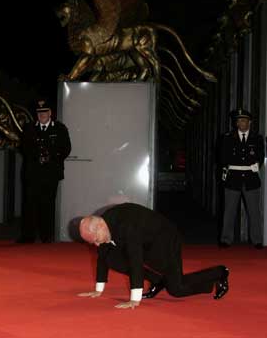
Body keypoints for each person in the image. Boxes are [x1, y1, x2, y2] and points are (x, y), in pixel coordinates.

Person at [77, 203, 229, 309]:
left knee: (176, 289)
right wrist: (98, 289)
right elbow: (103, 255)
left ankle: (219, 272)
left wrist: (134, 299)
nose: (97, 244)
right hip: (146, 241)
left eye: (96, 240)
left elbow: (135, 259)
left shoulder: (128, 227)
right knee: (111, 257)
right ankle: (157, 281)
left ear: (100, 226)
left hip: (165, 239)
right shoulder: (103, 223)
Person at [17, 99, 71, 243]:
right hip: (32, 173)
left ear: (50, 113)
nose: (42, 115)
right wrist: (37, 156)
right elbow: (23, 147)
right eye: (39, 112)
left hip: (50, 173)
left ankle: (46, 236)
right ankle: (28, 236)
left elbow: (66, 148)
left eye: (45, 112)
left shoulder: (59, 128)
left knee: (48, 204)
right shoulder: (29, 128)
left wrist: (51, 156)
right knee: (29, 204)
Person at [220, 109, 264, 249]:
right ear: (236, 123)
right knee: (229, 211)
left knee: (254, 212)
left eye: (244, 120)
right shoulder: (227, 138)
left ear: (249, 122)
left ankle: (257, 240)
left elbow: (260, 157)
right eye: (239, 121)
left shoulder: (257, 138)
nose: (241, 123)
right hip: (233, 179)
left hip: (251, 179)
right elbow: (222, 157)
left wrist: (256, 165)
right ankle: (226, 239)